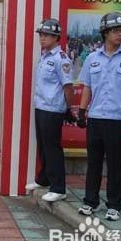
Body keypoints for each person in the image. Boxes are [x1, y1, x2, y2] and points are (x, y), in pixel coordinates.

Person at [77, 12, 121, 221]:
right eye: (116, 31)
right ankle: (90, 201)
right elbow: (87, 87)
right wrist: (81, 111)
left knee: (116, 165)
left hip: (118, 120)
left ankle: (114, 205)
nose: (120, 35)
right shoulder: (92, 59)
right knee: (94, 162)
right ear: (105, 33)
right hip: (96, 118)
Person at [25, 19, 75, 202]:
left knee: (53, 147)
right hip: (41, 107)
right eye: (41, 34)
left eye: (45, 35)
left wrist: (68, 109)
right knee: (43, 146)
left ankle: (58, 187)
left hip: (53, 109)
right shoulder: (44, 57)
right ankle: (44, 179)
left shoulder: (61, 59)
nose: (42, 38)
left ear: (56, 37)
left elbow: (68, 87)